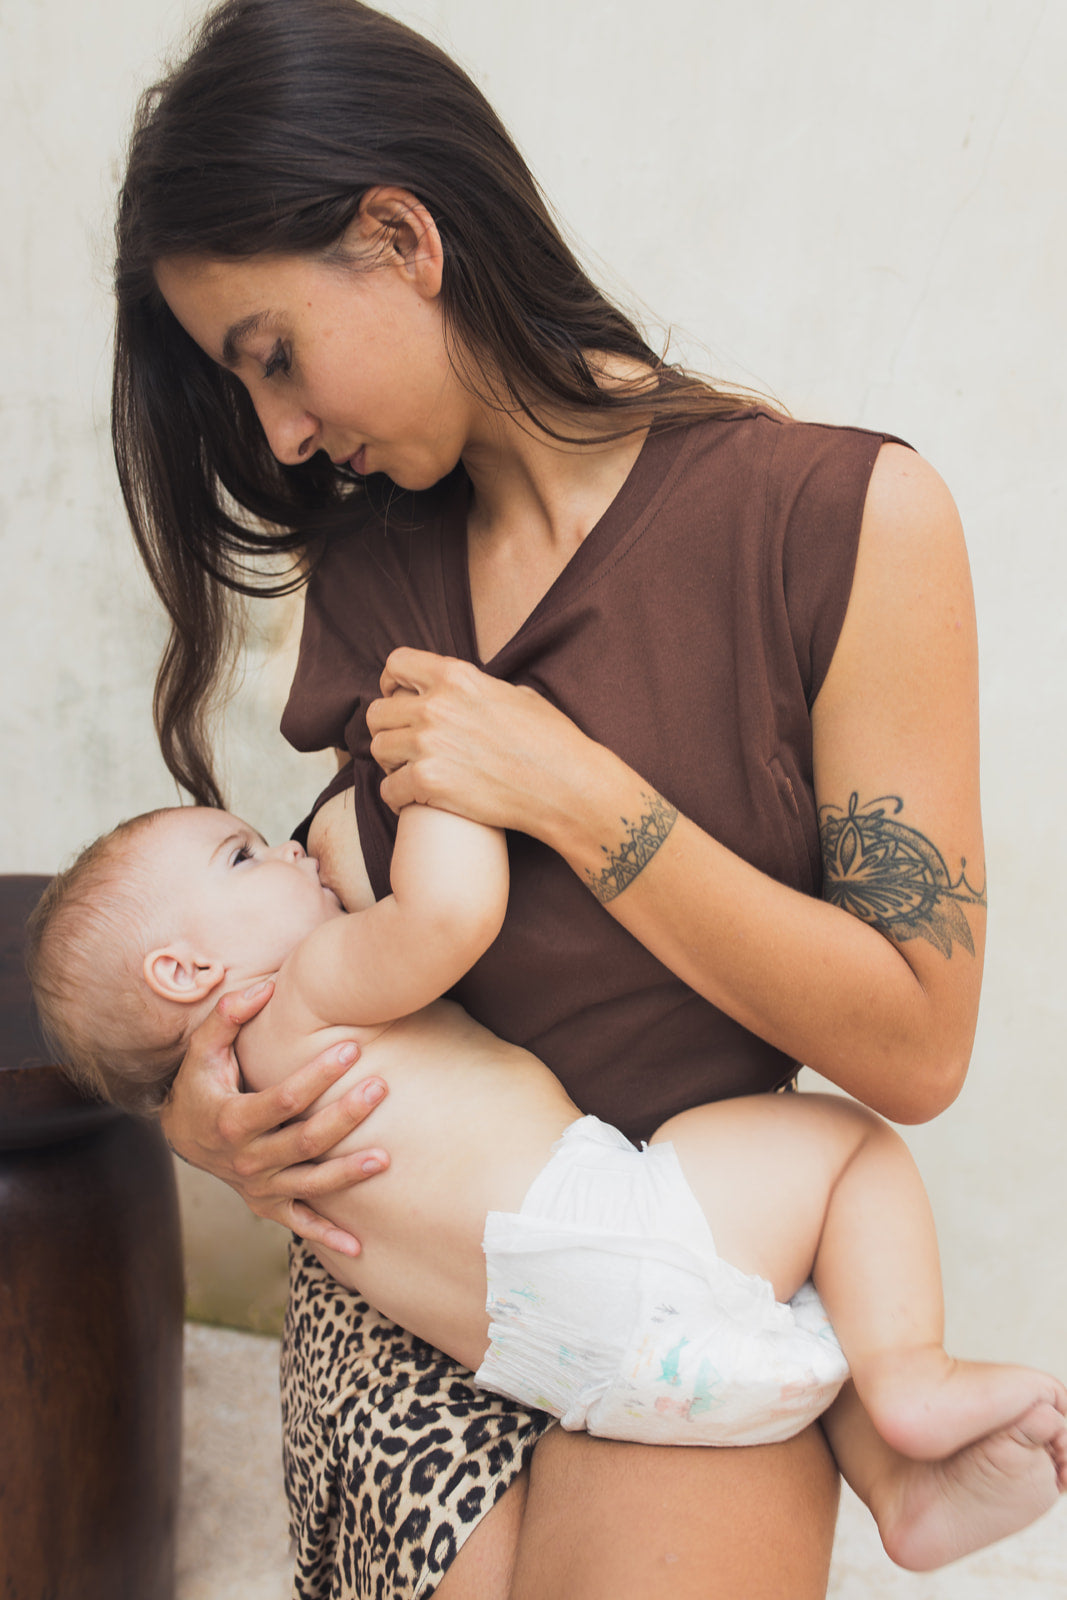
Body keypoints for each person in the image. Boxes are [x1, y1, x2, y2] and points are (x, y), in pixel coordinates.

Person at [110, 1, 996, 1594]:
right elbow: (312, 925)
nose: (282, 434)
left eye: (275, 358)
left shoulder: (838, 522)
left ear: (399, 236)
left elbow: (913, 1043)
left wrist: (585, 797)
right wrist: (208, 1110)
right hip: (412, 1287)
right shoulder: (373, 553)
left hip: (675, 1261)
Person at [25, 792, 1067, 1577]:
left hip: (574, 1371)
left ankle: (900, 1489)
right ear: (184, 972)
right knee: (846, 1151)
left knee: (789, 1283)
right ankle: (911, 1382)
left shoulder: (254, 1087)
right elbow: (453, 910)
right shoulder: (307, 988)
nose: (288, 845)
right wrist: (437, 777)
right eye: (243, 854)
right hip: (614, 1230)